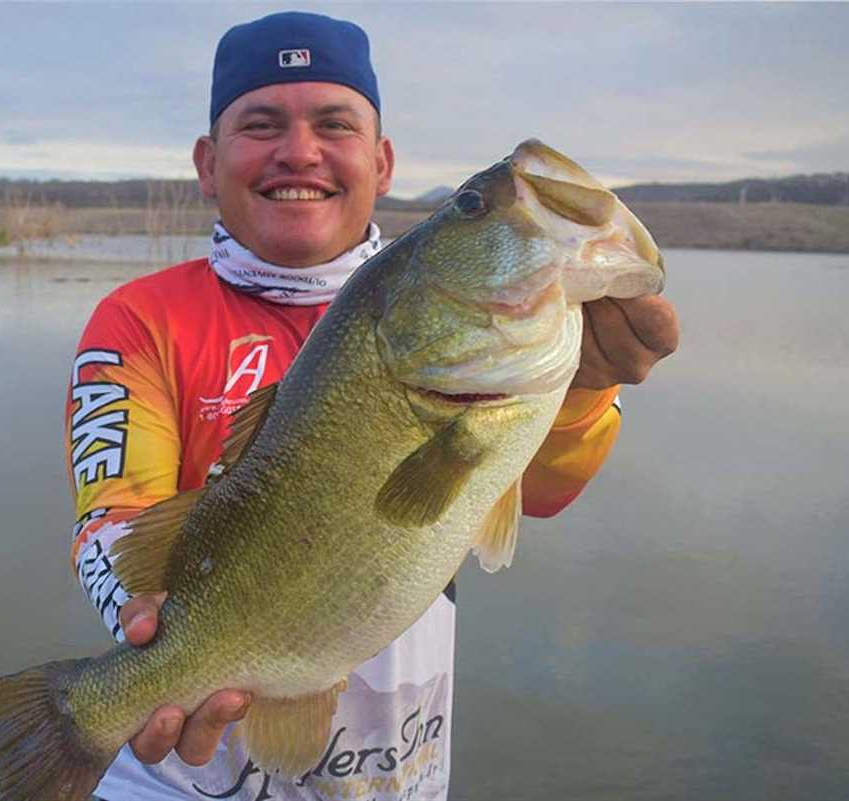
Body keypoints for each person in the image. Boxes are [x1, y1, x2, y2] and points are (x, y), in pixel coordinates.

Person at [65, 11, 678, 801]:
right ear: (207, 163)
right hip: (174, 780)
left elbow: (545, 493)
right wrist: (147, 642)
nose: (299, 151)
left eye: (334, 123)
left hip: (398, 775)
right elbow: (116, 522)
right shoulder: (138, 318)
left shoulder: (470, 327)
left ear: (382, 161)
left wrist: (584, 388)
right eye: (261, 123)